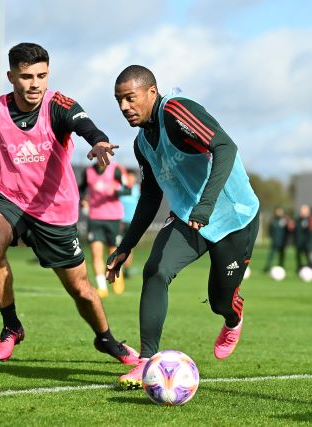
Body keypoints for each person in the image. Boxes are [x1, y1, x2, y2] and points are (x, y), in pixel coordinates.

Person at [0, 43, 138, 364]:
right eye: (26, 76)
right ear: (11, 77)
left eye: (42, 75)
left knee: (81, 289)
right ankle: (11, 326)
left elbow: (86, 125)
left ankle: (106, 339)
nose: (35, 83)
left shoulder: (58, 105)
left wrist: (99, 141)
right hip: (8, 198)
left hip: (55, 210)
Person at [107, 65, 260, 389]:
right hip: (189, 217)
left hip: (234, 216)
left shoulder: (177, 111)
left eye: (130, 98)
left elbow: (226, 147)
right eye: (119, 101)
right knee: (156, 270)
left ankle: (233, 318)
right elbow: (149, 196)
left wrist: (206, 205)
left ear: (151, 92)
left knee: (220, 301)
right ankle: (147, 360)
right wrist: (125, 246)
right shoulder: (141, 144)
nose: (124, 107)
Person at [78, 160, 130, 297]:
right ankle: (102, 287)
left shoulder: (116, 170)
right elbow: (81, 189)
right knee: (96, 252)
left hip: (113, 218)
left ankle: (118, 278)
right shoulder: (88, 172)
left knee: (113, 252)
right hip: (95, 218)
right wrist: (83, 200)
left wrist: (117, 191)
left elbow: (128, 190)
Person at [119, 169, 140, 279]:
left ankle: (126, 270)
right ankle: (116, 267)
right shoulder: (120, 188)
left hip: (132, 223)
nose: (131, 179)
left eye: (133, 177)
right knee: (116, 245)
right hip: (119, 222)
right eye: (129, 176)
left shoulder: (138, 190)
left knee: (129, 248)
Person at [263, 206, 289, 273]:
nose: (279, 213)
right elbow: (270, 230)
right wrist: (272, 237)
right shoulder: (273, 220)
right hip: (274, 241)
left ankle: (281, 267)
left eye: (280, 211)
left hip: (282, 242)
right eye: (277, 211)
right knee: (271, 255)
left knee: (282, 256)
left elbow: (288, 231)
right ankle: (267, 267)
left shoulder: (285, 220)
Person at [294, 204, 311, 272]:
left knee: (308, 256)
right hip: (298, 241)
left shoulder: (310, 219)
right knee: (298, 256)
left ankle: (310, 268)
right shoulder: (298, 219)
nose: (302, 211)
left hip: (306, 242)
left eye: (304, 210)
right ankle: (299, 268)